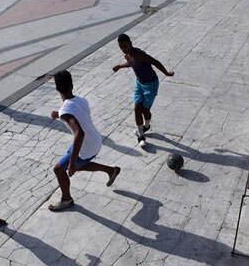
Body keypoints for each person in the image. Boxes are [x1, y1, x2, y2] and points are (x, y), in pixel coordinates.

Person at [49, 70, 121, 211]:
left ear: (57, 89)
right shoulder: (81, 100)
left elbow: (79, 133)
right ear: (72, 85)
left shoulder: (65, 110)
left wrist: (71, 162)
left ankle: (66, 200)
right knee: (79, 164)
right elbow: (76, 115)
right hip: (96, 140)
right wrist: (59, 115)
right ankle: (111, 171)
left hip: (86, 146)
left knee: (59, 169)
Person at [112, 33, 174, 148]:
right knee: (137, 108)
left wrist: (166, 73)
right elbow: (130, 63)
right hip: (139, 83)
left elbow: (155, 62)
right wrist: (119, 66)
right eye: (121, 48)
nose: (124, 49)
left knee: (145, 110)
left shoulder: (139, 54)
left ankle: (146, 125)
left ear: (131, 43)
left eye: (125, 46)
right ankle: (141, 136)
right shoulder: (128, 55)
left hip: (151, 85)